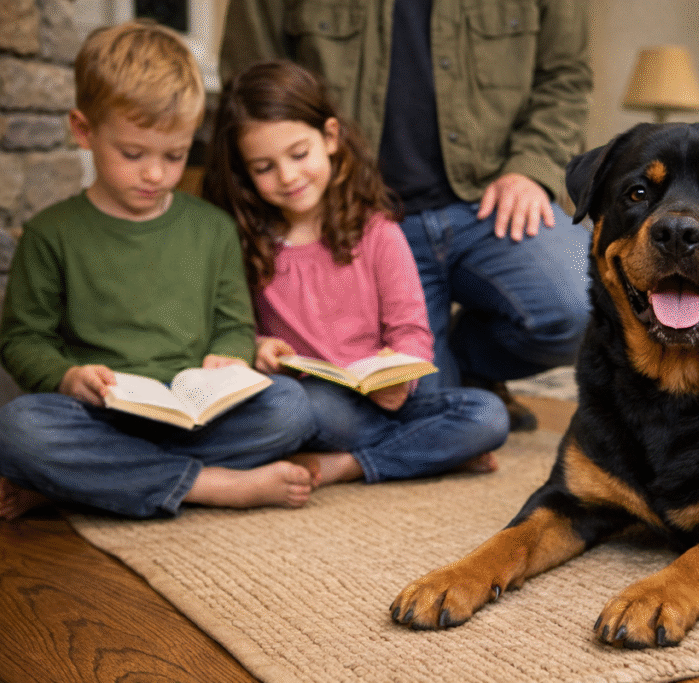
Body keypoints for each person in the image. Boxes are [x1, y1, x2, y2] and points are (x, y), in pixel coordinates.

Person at [219, 0, 593, 431]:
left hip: (491, 198)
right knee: (414, 412)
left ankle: (467, 359)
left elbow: (566, 77)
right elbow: (250, 83)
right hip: (364, 211)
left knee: (588, 300)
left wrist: (532, 169)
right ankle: (449, 371)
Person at [0, 21, 318, 521]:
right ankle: (208, 485)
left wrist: (227, 357)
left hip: (199, 415)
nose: (155, 174)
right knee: (19, 428)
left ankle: (89, 483)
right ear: (83, 130)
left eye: (175, 155)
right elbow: (22, 340)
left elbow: (234, 324)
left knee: (293, 407)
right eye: (133, 154)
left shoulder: (211, 228)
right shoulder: (51, 233)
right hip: (101, 416)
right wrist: (67, 377)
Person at [202, 60, 509, 487]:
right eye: (263, 168)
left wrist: (401, 374)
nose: (288, 176)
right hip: (310, 399)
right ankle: (428, 453)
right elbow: (232, 328)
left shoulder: (378, 232)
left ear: (329, 137)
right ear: (244, 172)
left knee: (486, 415)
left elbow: (412, 333)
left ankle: (349, 464)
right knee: (295, 405)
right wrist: (259, 347)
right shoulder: (246, 242)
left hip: (382, 401)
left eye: (298, 154)